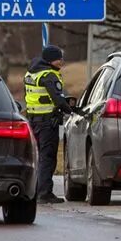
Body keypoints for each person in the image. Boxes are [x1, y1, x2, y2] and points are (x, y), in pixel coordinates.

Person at [24, 43, 76, 204]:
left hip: (33, 121)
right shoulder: (49, 75)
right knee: (47, 158)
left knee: (36, 158)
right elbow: (58, 99)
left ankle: (34, 190)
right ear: (50, 60)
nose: (61, 61)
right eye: (58, 58)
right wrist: (70, 110)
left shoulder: (31, 73)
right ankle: (44, 193)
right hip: (47, 123)